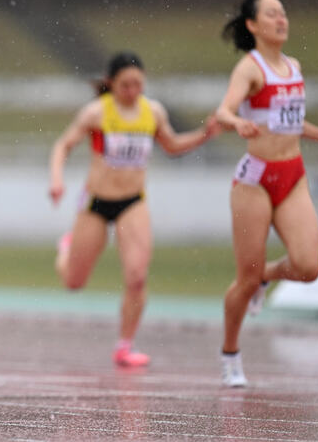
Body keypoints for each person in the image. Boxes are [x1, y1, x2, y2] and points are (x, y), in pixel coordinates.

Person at [49, 52, 220, 368]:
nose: (132, 91)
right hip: (95, 203)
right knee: (74, 282)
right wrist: (57, 180)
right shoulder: (97, 113)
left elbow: (171, 145)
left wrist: (203, 135)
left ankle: (124, 346)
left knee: (137, 277)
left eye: (138, 84)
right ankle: (66, 249)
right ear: (111, 83)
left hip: (132, 202)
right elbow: (63, 145)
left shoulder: (152, 112)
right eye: (125, 85)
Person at [216, 0, 318, 387]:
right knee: (244, 278)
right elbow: (224, 110)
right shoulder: (251, 68)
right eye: (272, 14)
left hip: (292, 175)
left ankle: (268, 276)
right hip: (255, 181)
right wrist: (235, 121)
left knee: (310, 267)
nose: (282, 19)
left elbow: (290, 123)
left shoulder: (293, 66)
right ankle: (230, 353)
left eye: (284, 12)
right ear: (252, 25)